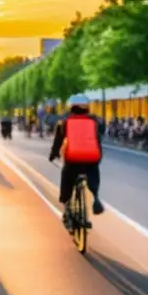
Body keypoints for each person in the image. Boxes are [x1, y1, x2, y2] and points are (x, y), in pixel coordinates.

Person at [49, 95, 104, 227]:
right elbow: (99, 136)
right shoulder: (95, 121)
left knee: (67, 177)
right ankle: (96, 197)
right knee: (93, 173)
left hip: (73, 158)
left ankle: (66, 202)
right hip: (91, 158)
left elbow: (58, 141)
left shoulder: (64, 122)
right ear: (87, 107)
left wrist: (53, 154)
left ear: (70, 107)